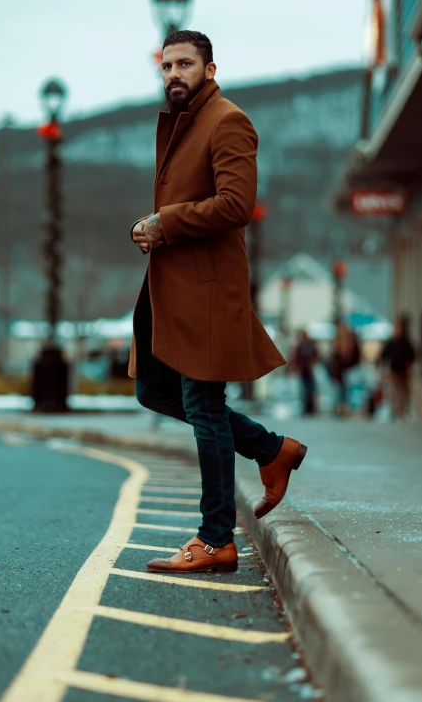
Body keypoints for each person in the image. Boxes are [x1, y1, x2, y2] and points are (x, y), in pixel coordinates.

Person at [128, 30, 307, 575]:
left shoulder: (227, 120)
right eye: (167, 66)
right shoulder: (183, 125)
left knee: (203, 407)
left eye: (185, 64)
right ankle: (272, 449)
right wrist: (155, 228)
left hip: (204, 291)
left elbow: (236, 204)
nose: (174, 74)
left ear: (209, 69)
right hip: (169, 289)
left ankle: (216, 539)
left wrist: (166, 222)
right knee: (155, 392)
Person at [380, 320, 415, 419]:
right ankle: (396, 411)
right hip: (393, 371)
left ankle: (402, 411)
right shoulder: (391, 342)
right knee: (395, 391)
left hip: (403, 371)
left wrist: (409, 365)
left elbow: (412, 355)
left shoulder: (405, 342)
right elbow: (384, 356)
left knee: (404, 392)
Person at [328, 322, 361, 416]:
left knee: (346, 390)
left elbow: (355, 357)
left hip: (347, 372)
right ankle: (339, 407)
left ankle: (344, 407)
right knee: (339, 390)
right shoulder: (337, 343)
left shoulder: (351, 342)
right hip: (339, 372)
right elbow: (334, 359)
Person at [293, 330, 318, 416]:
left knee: (310, 389)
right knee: (305, 390)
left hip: (310, 371)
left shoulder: (310, 346)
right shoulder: (300, 347)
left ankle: (311, 408)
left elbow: (315, 356)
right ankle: (306, 408)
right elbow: (297, 358)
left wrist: (312, 364)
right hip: (303, 371)